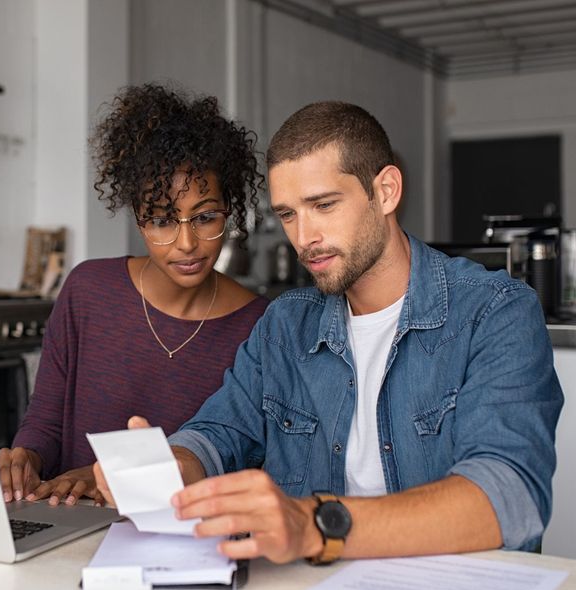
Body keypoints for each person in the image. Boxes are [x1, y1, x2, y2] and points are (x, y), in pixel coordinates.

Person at [95, 101, 563, 564]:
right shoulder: (284, 326)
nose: (304, 237)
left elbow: (509, 497)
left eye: (323, 205)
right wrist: (171, 466)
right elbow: (219, 432)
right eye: (289, 214)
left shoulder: (495, 311)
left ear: (386, 191)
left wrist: (316, 525)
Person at [0, 83, 269, 507]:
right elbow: (46, 422)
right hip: (68, 525)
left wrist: (109, 477)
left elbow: (242, 458)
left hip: (183, 541)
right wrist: (25, 458)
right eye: (161, 220)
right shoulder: (87, 291)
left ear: (229, 211)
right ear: (138, 220)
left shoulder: (259, 325)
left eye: (205, 217)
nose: (186, 243)